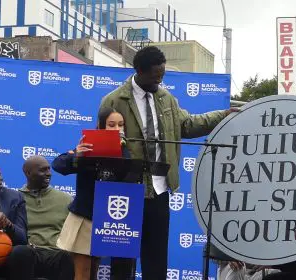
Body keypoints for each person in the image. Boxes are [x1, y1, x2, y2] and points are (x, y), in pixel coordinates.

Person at [100, 46, 237, 280]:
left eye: (162, 75)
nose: (159, 80)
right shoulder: (114, 100)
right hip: (125, 188)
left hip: (159, 187)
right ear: (139, 71)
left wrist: (222, 116)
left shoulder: (167, 99)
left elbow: (187, 125)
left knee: (156, 256)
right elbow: (103, 142)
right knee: (122, 257)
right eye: (155, 76)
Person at [52, 107, 134, 280]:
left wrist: (122, 151)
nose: (117, 129)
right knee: (83, 272)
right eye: (111, 125)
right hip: (84, 217)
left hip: (106, 220)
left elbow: (128, 177)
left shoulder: (125, 151)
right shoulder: (86, 148)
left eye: (121, 125)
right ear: (100, 126)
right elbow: (58, 165)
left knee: (94, 271)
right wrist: (78, 156)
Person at [7, 155, 75, 280]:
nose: (49, 174)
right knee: (20, 252)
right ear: (28, 173)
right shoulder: (14, 199)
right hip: (28, 252)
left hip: (55, 253)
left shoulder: (65, 199)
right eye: (43, 170)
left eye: (49, 169)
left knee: (66, 257)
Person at [0, 160, 27, 279]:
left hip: (6, 255)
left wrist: (8, 224)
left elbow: (23, 239)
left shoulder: (15, 198)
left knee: (22, 252)